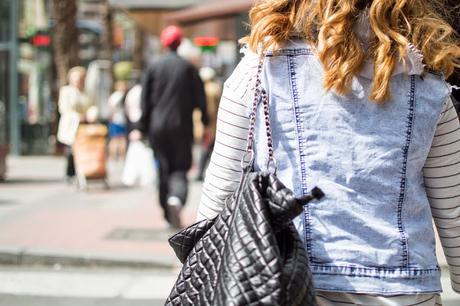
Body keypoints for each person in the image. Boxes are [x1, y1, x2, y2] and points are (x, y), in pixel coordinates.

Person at [197, 0, 460, 305]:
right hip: (404, 288)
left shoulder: (258, 72)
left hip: (286, 283)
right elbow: (454, 210)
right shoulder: (426, 81)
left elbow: (218, 201)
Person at [133, 25, 209, 229]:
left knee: (163, 168)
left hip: (157, 128)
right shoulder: (189, 68)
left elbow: (144, 100)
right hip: (181, 126)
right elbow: (200, 98)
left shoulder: (154, 67)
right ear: (179, 42)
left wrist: (141, 126)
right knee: (180, 168)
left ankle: (167, 213)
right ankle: (176, 198)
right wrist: (205, 123)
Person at [57, 66, 93, 182]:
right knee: (71, 151)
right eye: (75, 78)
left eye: (80, 78)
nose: (77, 81)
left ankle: (85, 171)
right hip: (71, 126)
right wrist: (78, 117)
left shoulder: (87, 92)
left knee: (85, 150)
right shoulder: (66, 91)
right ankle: (70, 173)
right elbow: (64, 108)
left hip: (85, 127)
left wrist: (91, 114)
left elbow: (92, 106)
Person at [195, 67, 222, 181]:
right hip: (212, 123)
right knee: (210, 148)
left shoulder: (205, 89)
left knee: (206, 148)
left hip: (205, 123)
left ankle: (201, 171)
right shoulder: (214, 88)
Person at [107, 81, 128, 160]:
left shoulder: (114, 96)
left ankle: (115, 156)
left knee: (116, 139)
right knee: (118, 139)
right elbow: (112, 107)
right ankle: (119, 156)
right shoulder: (119, 95)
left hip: (117, 119)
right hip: (118, 120)